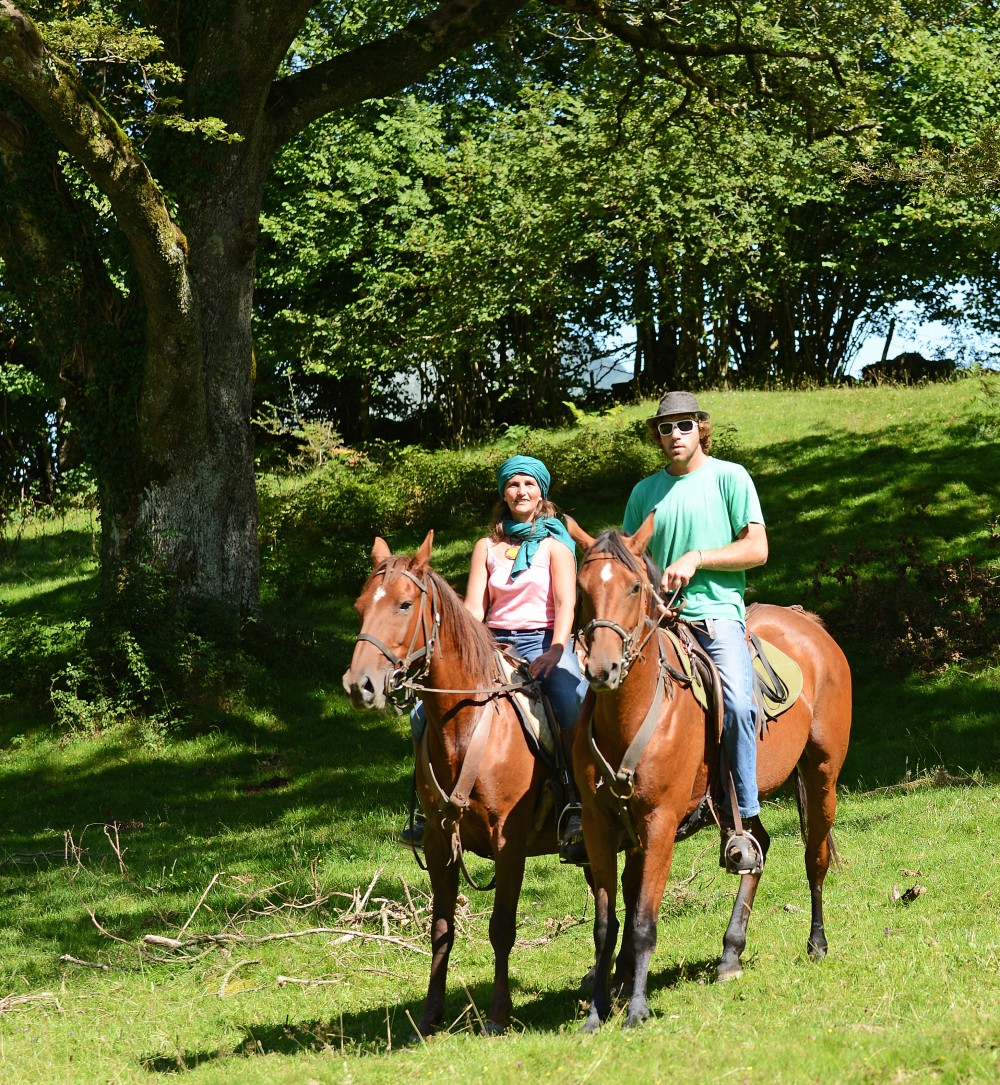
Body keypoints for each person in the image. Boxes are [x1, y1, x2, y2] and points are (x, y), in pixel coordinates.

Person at [400, 455, 589, 864]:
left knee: (572, 699)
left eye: (529, 485)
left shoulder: (557, 547)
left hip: (545, 641)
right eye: (513, 485)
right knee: (421, 711)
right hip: (493, 643)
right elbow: (473, 608)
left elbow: (566, 605)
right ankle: (423, 806)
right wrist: (457, 644)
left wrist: (558, 651)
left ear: (542, 492)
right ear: (504, 493)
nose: (521, 492)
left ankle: (575, 803)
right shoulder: (487, 547)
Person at [622, 391, 769, 874]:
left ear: (700, 427)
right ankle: (592, 811)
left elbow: (757, 549)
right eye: (665, 428)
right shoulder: (644, 493)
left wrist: (698, 557)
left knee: (742, 704)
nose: (674, 436)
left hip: (716, 616)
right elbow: (629, 561)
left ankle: (741, 821)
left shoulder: (729, 476)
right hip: (658, 622)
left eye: (683, 425)